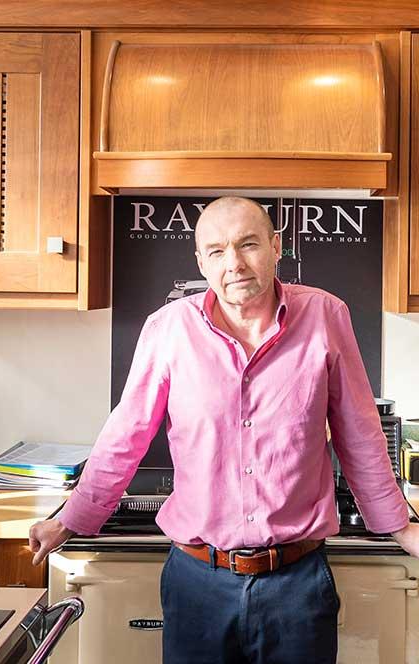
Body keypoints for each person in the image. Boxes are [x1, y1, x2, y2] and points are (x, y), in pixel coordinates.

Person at [28, 196, 419, 664]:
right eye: (216, 251)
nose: (234, 263)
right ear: (201, 262)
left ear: (276, 246)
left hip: (298, 585)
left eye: (248, 244)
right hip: (197, 584)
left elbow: (359, 432)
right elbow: (125, 436)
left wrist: (401, 527)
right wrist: (71, 520)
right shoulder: (168, 329)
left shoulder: (325, 315)